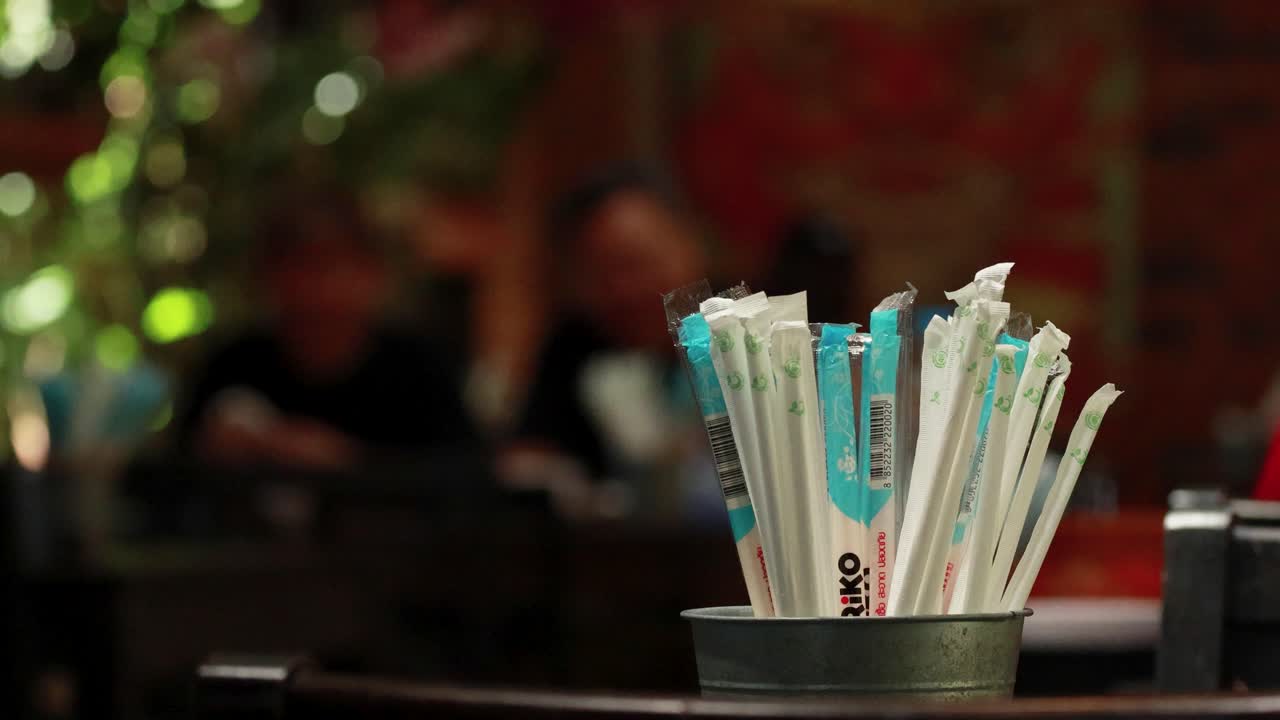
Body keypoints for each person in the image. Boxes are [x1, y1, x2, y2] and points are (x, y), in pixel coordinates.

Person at [179, 187, 474, 471]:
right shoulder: (232, 366)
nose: (318, 287)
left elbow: (466, 477)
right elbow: (173, 481)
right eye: (299, 265)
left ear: (373, 271)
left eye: (334, 264)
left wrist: (349, 462)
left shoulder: (420, 372)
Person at [504, 165, 711, 516]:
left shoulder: (740, 332)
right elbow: (526, 460)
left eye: (638, 263)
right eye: (601, 271)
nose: (624, 289)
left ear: (689, 246)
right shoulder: (573, 346)